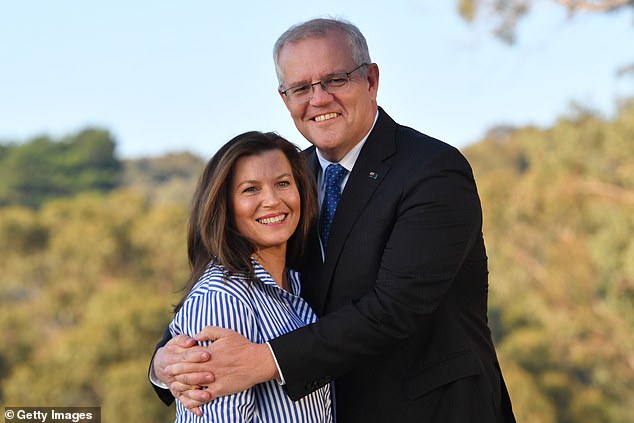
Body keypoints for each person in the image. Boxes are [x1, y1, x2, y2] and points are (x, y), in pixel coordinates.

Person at [150, 18, 515, 422]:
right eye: (301, 88)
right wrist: (168, 363)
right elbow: (226, 280)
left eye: (335, 80)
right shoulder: (290, 181)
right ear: (284, 98)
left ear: (371, 80)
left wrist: (265, 361)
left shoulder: (432, 172)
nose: (318, 99)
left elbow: (394, 308)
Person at [163, 130, 332, 422]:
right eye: (250, 189)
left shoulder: (299, 286)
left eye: (282, 183)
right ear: (224, 206)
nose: (272, 201)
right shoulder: (222, 300)